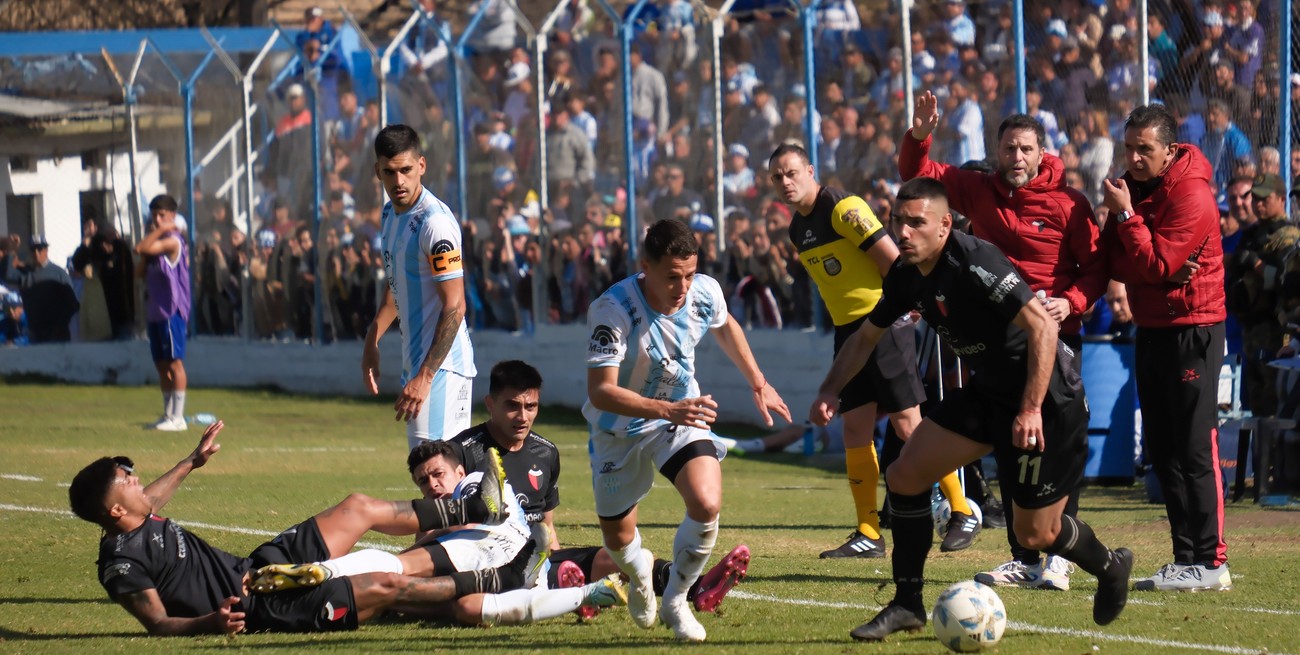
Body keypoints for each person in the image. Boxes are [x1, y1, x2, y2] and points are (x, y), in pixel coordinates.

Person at [813, 177, 1133, 642]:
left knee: (1035, 535)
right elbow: (864, 338)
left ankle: (1110, 567)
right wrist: (829, 390)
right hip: (989, 395)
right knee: (904, 476)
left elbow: (1044, 329)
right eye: (897, 221)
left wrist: (1030, 410)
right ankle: (907, 603)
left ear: (944, 225)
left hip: (1048, 401)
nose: (902, 232)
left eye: (915, 223)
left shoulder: (976, 261)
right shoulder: (905, 274)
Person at [901, 92, 1109, 591]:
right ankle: (1027, 558)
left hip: (1052, 338)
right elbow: (917, 173)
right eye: (1009, 149)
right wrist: (919, 133)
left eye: (1026, 149)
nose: (1017, 158)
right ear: (998, 152)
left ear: (1042, 154)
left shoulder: (1070, 203)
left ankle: (1056, 556)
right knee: (1015, 451)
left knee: (1050, 438)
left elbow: (1098, 267)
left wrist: (1072, 301)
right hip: (995, 345)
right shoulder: (977, 189)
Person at [69, 421, 533, 636]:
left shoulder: (138, 513)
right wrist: (210, 623)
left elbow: (152, 498)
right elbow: (156, 624)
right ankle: (496, 581)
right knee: (389, 583)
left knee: (357, 507)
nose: (137, 482)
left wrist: (192, 461)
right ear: (114, 512)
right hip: (260, 605)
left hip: (258, 566)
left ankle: (471, 508)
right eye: (127, 480)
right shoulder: (121, 564)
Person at [584, 218, 792, 641]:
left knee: (706, 501)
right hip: (619, 429)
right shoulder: (613, 310)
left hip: (680, 416)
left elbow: (726, 325)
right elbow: (602, 392)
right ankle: (640, 572)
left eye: (690, 274)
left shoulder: (704, 292)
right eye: (672, 276)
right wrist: (665, 408)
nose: (682, 286)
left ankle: (676, 600)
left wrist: (760, 382)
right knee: (620, 542)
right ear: (645, 266)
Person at [768, 143, 979, 558]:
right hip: (849, 333)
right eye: (777, 177)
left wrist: (909, 305)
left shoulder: (843, 208)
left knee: (907, 425)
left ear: (811, 170)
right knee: (855, 429)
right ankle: (869, 532)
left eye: (792, 172)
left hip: (882, 325)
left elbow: (893, 261)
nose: (785, 182)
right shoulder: (798, 228)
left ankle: (961, 509)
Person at [449, 359, 751, 621]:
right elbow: (444, 522)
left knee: (617, 559)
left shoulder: (545, 452)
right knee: (553, 572)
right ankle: (573, 593)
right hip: (493, 557)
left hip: (538, 555)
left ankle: (696, 587)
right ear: (490, 404)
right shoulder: (463, 451)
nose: (523, 416)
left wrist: (552, 558)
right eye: (512, 406)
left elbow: (546, 523)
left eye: (531, 406)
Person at [1101, 104, 1231, 592]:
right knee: (1163, 448)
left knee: (1196, 445)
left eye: (1145, 149)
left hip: (1193, 327)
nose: (1133, 158)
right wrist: (1148, 256)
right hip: (1152, 326)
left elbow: (1153, 265)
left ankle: (1212, 561)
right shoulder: (1129, 187)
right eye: (1129, 147)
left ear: (1170, 150)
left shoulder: (1191, 193)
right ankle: (1185, 559)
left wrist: (1131, 221)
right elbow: (1120, 257)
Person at [362, 124, 476, 449]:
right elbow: (398, 286)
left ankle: (512, 500)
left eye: (406, 170)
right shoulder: (389, 215)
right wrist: (373, 339)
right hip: (419, 368)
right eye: (389, 172)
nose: (398, 181)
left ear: (421, 166)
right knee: (440, 478)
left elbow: (455, 305)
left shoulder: (435, 224)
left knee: (439, 478)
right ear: (378, 171)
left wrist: (425, 377)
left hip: (443, 370)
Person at [135, 196, 191, 432]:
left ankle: (178, 417)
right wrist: (154, 236)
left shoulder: (173, 241)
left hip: (172, 311)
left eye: (161, 216)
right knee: (161, 364)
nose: (156, 220)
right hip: (156, 311)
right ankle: (167, 414)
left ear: (172, 216)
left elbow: (140, 246)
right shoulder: (156, 246)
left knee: (174, 363)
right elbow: (138, 269)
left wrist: (163, 230)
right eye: (153, 216)